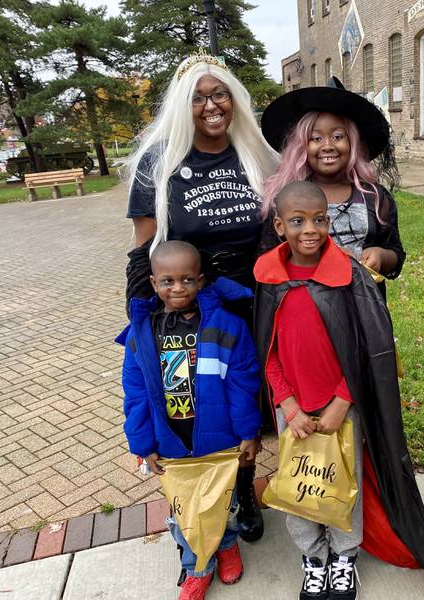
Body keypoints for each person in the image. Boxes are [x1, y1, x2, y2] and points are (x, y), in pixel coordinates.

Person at [253, 181, 424, 600]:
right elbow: (268, 351)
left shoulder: (349, 275)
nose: (309, 229)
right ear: (279, 226)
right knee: (300, 484)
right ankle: (313, 558)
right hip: (291, 406)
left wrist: (343, 400)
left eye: (318, 220)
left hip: (342, 405)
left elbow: (370, 348)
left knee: (344, 481)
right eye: (297, 221)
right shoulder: (269, 277)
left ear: (329, 222)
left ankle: (344, 557)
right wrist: (288, 404)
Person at [125, 53, 278, 543]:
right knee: (195, 400)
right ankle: (205, 501)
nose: (211, 105)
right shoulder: (159, 164)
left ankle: (243, 491)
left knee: (249, 399)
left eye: (220, 94)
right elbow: (143, 247)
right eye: (198, 97)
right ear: (181, 106)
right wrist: (140, 312)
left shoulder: (257, 155)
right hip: (192, 302)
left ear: (234, 101)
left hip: (254, 299)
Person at [117, 240, 261, 600]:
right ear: (153, 283)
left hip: (219, 440)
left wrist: (248, 432)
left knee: (221, 503)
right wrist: (142, 443)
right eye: (168, 281)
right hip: (171, 443)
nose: (178, 288)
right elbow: (135, 393)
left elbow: (244, 383)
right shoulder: (142, 333)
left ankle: (226, 545)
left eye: (187, 280)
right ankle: (197, 566)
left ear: (201, 280)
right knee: (183, 510)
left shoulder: (226, 326)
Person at [259, 77, 405, 288]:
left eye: (338, 136)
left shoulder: (373, 197)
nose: (327, 145)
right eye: (316, 138)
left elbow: (396, 254)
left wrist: (381, 256)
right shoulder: (286, 199)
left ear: (353, 142)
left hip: (363, 307)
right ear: (301, 147)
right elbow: (268, 257)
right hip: (306, 302)